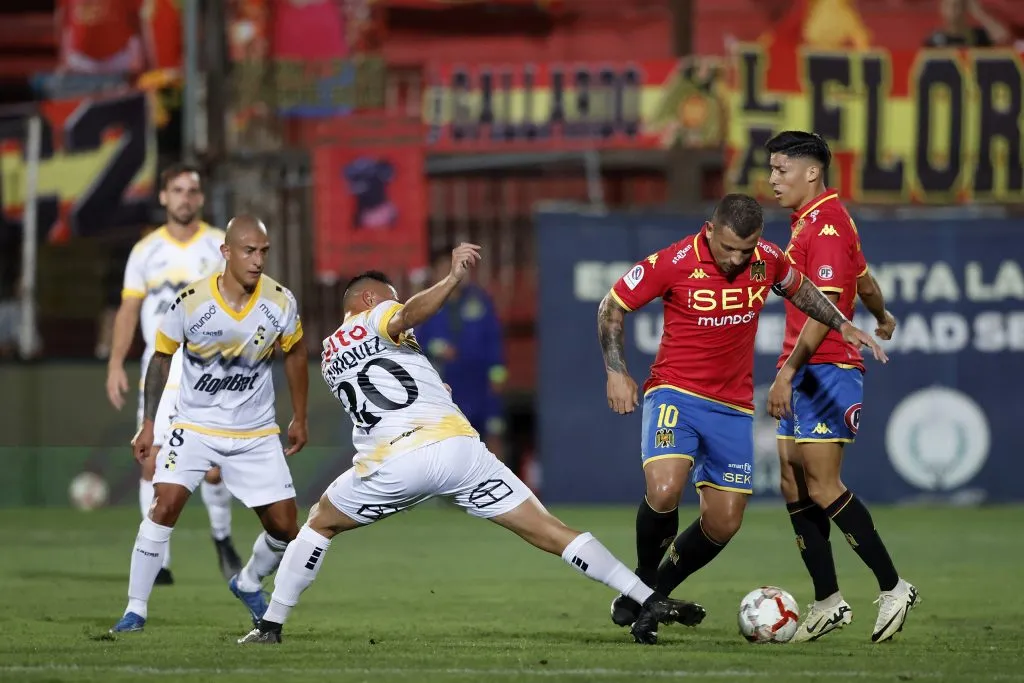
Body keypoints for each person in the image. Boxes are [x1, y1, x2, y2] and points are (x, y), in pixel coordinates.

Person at [237, 244, 706, 646]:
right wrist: (452, 278)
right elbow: (408, 314)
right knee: (549, 530)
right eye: (390, 298)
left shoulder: (330, 354)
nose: (398, 307)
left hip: (396, 462)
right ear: (367, 298)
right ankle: (648, 596)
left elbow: (394, 385)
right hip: (459, 451)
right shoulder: (381, 314)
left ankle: (272, 624)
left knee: (319, 521)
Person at [597, 193, 888, 645]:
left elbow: (803, 289)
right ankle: (642, 583)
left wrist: (841, 323)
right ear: (709, 229)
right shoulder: (673, 261)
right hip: (676, 391)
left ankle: (648, 595)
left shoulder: (766, 259)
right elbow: (612, 305)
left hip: (732, 408)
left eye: (745, 250)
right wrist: (617, 371)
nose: (735, 259)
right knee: (665, 488)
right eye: (728, 248)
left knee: (724, 521)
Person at [109, 215, 309, 633]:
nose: (257, 260)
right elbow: (161, 357)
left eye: (263, 252)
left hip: (255, 433)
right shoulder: (189, 302)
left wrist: (300, 416)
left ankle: (248, 581)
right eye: (249, 251)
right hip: (195, 427)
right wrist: (149, 424)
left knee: (287, 528)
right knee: (164, 504)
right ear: (227, 252)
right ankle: (135, 610)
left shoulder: (281, 302)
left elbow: (295, 353)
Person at [764, 131, 918, 643]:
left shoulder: (825, 225)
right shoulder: (818, 219)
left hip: (824, 367)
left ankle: (894, 586)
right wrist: (882, 314)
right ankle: (828, 599)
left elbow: (827, 312)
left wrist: (786, 372)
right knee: (792, 479)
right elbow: (865, 279)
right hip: (806, 366)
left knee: (824, 485)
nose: (772, 179)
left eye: (781, 169)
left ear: (812, 172)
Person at [106, 164, 242, 584]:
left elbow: (242, 306)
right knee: (152, 462)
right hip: (161, 368)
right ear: (164, 197)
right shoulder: (146, 251)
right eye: (177, 190)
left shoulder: (221, 245)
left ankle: (222, 537)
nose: (185, 197)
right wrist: (115, 363)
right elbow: (129, 309)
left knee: (214, 467)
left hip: (212, 369)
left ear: (200, 198)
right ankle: (159, 562)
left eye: (192, 191)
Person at [414, 245, 508, 460]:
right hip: (446, 382)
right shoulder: (428, 303)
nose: (450, 271)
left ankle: (498, 486)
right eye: (444, 268)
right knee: (451, 440)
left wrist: (498, 374)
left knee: (493, 434)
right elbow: (417, 342)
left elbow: (493, 339)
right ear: (435, 273)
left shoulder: (480, 301)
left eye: (454, 266)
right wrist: (437, 348)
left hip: (480, 381)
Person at [924, 0, 1010, 47]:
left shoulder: (978, 36)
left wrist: (978, 13)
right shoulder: (934, 40)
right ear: (941, 9)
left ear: (965, 8)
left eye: (957, 6)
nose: (953, 12)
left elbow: (1003, 37)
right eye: (948, 6)